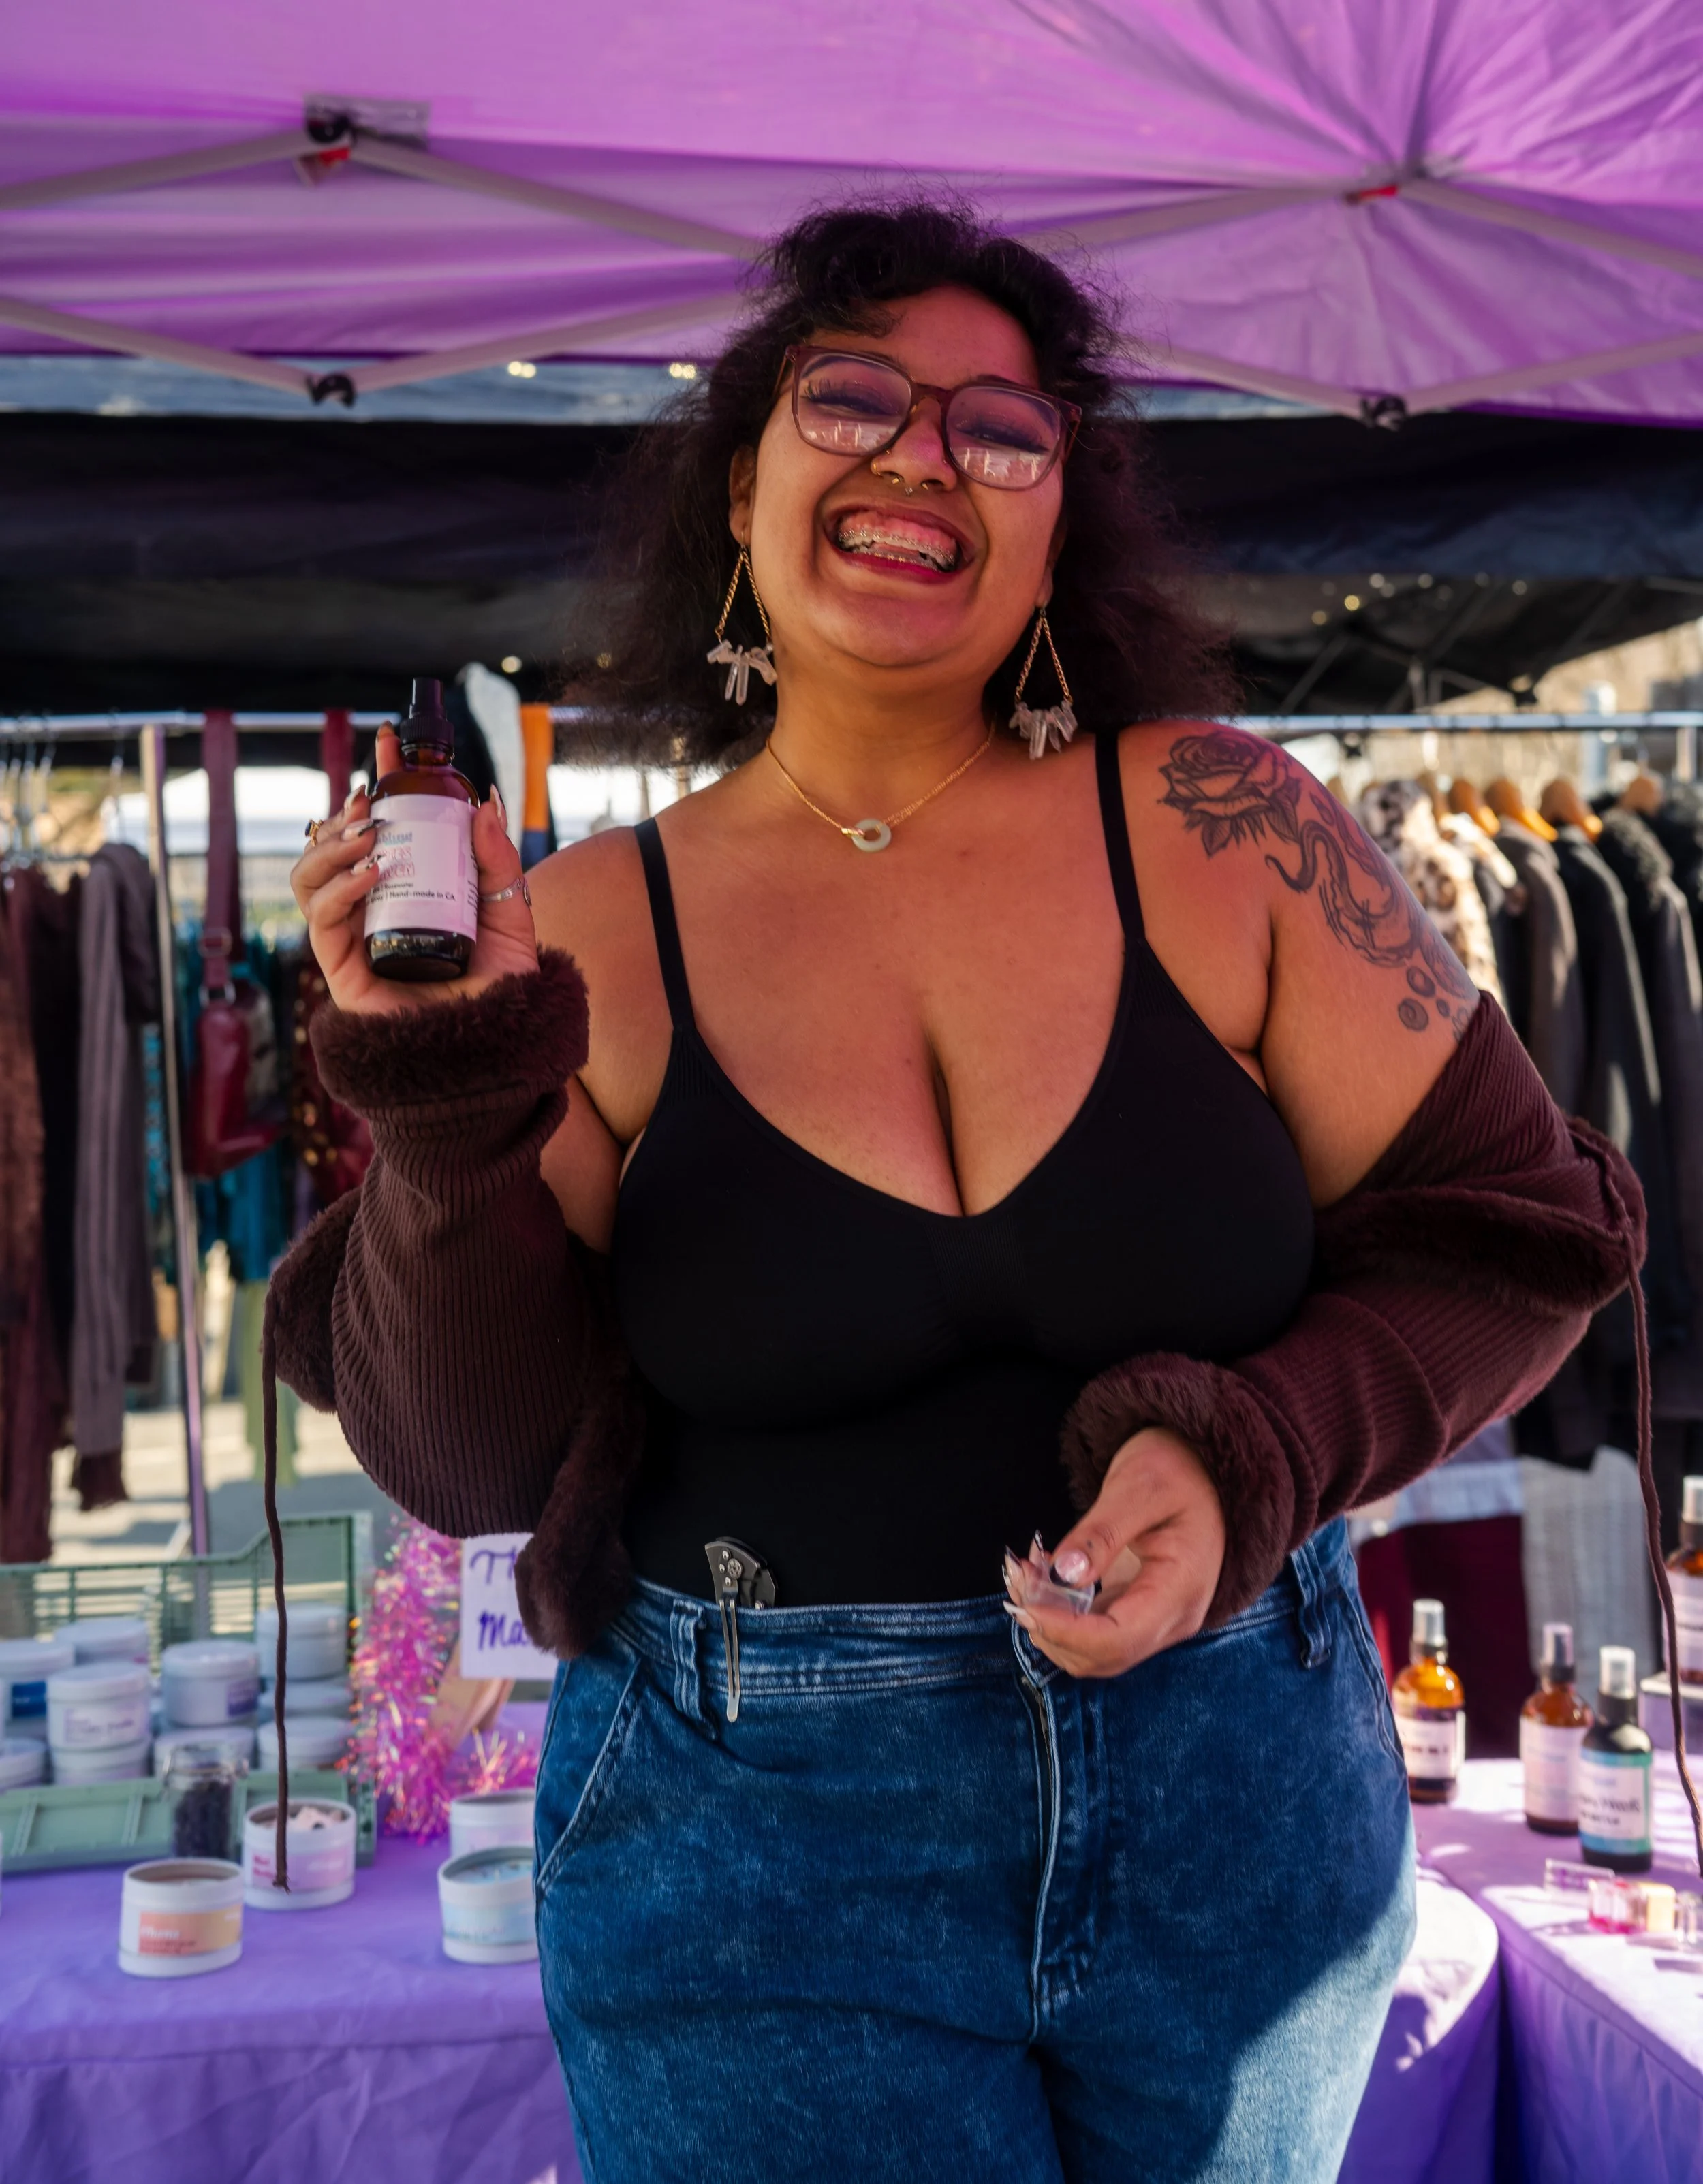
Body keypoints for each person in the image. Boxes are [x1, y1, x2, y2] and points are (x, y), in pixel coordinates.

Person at [279, 205, 1642, 2182]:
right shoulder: (582, 935)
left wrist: (1254, 1452)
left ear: (1055, 519)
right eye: (852, 398)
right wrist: (443, 1089)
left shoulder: (1227, 830)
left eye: (1000, 430)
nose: (924, 456)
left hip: (1236, 1808)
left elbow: (1519, 1240)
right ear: (737, 482)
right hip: (759, 1854)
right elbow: (469, 1450)